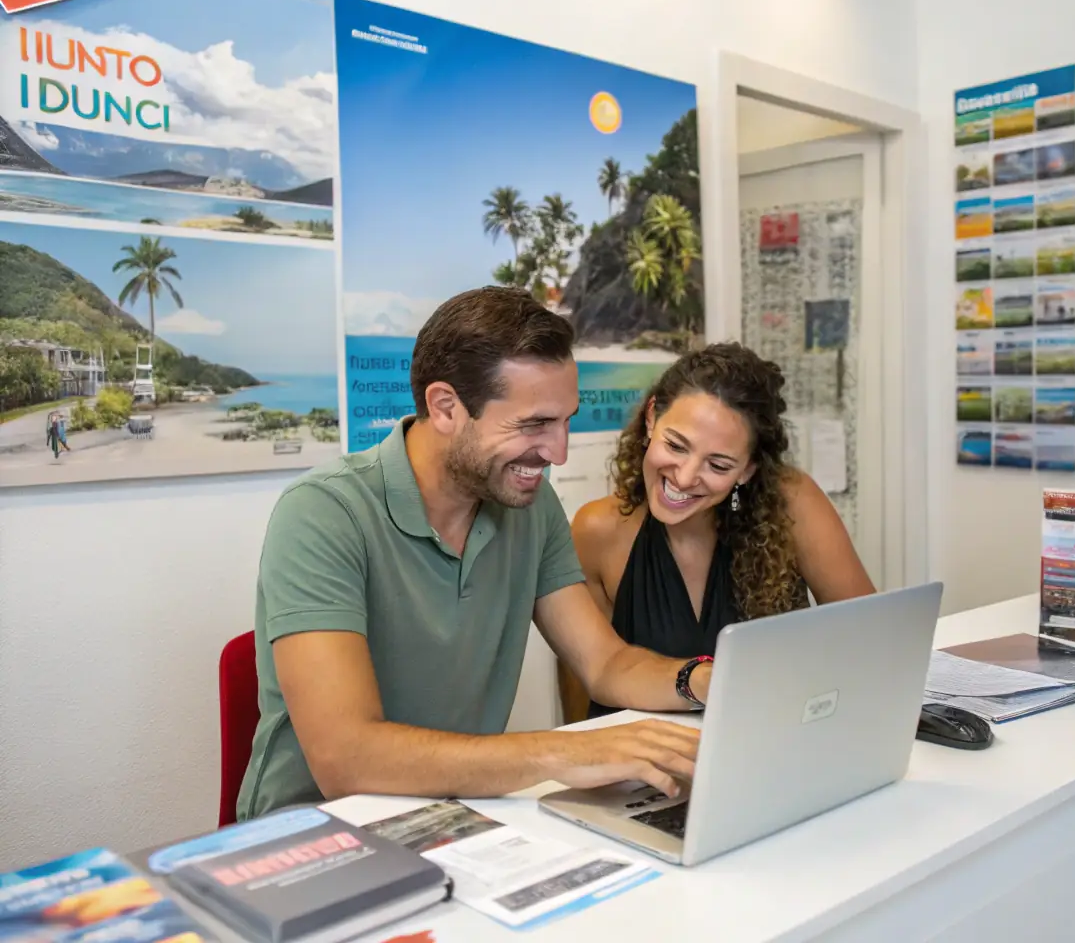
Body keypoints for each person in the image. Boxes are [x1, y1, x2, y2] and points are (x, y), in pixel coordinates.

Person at [237, 287, 709, 822]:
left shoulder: (529, 504)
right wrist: (564, 753)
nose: (558, 451)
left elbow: (605, 664)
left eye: (564, 421)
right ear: (446, 407)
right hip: (315, 834)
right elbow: (346, 758)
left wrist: (703, 681)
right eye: (534, 425)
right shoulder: (323, 513)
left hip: (456, 817)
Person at [570, 342, 876, 719]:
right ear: (652, 418)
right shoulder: (597, 530)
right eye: (676, 445)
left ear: (747, 470)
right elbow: (584, 685)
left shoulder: (793, 503)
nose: (684, 477)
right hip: (649, 767)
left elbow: (870, 638)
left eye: (718, 465)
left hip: (769, 747)